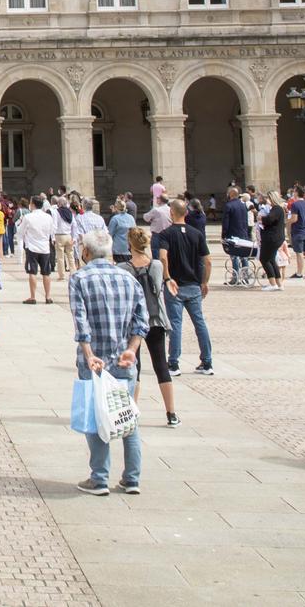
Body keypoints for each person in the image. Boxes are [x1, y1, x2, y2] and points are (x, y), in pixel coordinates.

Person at [69, 229, 148, 495]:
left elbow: (81, 321)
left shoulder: (80, 278)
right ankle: (132, 478)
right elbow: (142, 319)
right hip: (124, 361)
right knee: (126, 416)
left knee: (96, 418)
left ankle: (99, 478)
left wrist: (89, 354)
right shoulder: (128, 278)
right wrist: (132, 348)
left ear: (86, 252)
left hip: (95, 363)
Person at [124, 227, 178, 426]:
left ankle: (132, 411)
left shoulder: (124, 268)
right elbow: (160, 285)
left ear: (129, 244)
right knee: (161, 365)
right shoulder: (155, 265)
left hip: (134, 322)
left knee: (134, 367)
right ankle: (171, 413)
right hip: (155, 319)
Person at [155, 200, 213, 376]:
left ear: (171, 213)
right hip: (194, 284)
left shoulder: (166, 234)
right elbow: (208, 260)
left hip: (175, 285)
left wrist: (167, 278)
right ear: (186, 213)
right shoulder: (197, 234)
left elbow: (163, 258)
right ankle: (207, 361)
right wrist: (204, 282)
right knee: (199, 322)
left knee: (175, 323)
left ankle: (173, 363)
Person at [15, 198, 56, 305]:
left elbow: (20, 232)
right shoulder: (48, 217)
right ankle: (48, 296)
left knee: (32, 272)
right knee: (46, 273)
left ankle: (33, 296)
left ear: (32, 204)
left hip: (32, 247)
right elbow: (52, 231)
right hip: (45, 247)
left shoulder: (28, 217)